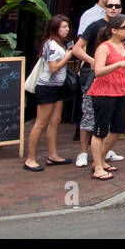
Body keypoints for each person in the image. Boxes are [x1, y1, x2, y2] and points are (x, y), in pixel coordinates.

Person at [72, 0, 125, 167]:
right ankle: (82, 152)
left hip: (116, 81)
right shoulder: (95, 26)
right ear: (104, 8)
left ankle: (102, 155)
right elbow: (77, 48)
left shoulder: (122, 32)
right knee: (88, 114)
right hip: (93, 77)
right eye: (110, 5)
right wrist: (92, 61)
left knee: (109, 119)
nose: (114, 8)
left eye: (117, 6)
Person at [87, 15, 125, 181]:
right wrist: (119, 64)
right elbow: (98, 71)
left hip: (121, 90)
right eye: (124, 27)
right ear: (114, 30)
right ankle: (98, 167)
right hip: (104, 92)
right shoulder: (104, 47)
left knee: (117, 129)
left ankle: (100, 159)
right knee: (100, 130)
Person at [24, 15, 76, 170]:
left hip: (57, 87)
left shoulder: (58, 43)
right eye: (63, 27)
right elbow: (53, 68)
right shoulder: (51, 44)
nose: (67, 30)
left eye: (68, 27)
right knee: (41, 123)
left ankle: (53, 155)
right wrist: (68, 56)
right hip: (48, 87)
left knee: (55, 120)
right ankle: (30, 159)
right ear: (55, 28)